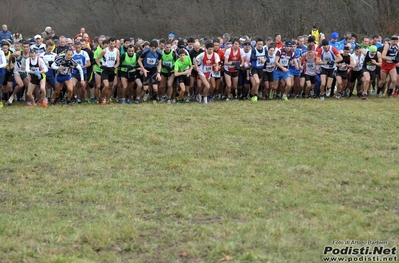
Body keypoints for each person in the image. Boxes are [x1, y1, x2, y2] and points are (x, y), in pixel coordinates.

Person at [95, 37, 120, 105]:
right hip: (105, 70)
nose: (112, 45)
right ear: (108, 43)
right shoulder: (104, 51)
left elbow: (118, 62)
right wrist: (100, 66)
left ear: (115, 44)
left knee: (110, 86)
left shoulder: (117, 51)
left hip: (112, 70)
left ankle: (108, 100)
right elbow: (97, 59)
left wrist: (114, 67)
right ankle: (101, 97)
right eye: (111, 44)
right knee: (106, 85)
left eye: (113, 44)